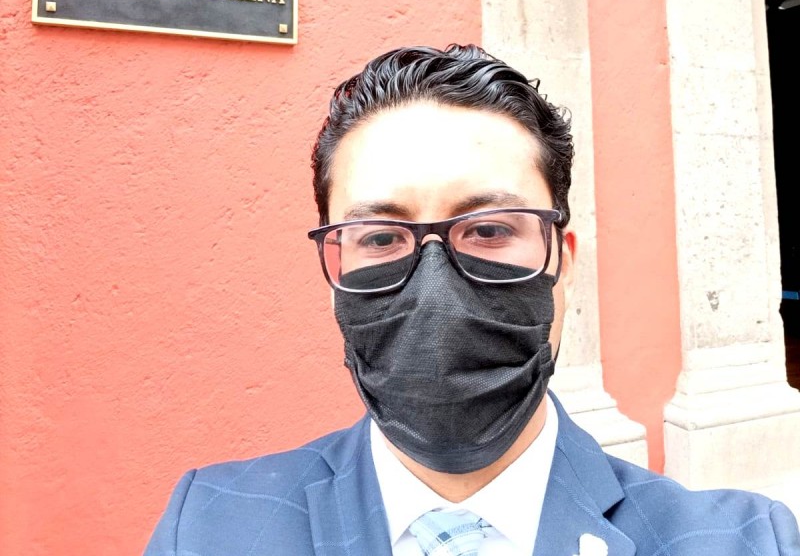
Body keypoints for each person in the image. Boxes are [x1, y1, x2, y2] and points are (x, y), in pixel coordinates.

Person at [144, 44, 800, 556]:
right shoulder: (209, 525)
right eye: (380, 237)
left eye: (489, 230)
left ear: (562, 264)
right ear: (336, 269)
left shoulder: (747, 540)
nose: (437, 298)